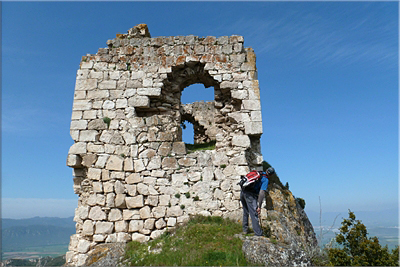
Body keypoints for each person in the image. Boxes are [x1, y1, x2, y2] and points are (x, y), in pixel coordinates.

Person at [240, 167, 275, 236]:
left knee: (245, 211)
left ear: (266, 170)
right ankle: (258, 233)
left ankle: (245, 230)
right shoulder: (265, 180)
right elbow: (262, 193)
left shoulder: (259, 173)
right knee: (254, 214)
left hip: (243, 192)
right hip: (250, 195)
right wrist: (259, 206)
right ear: (271, 175)